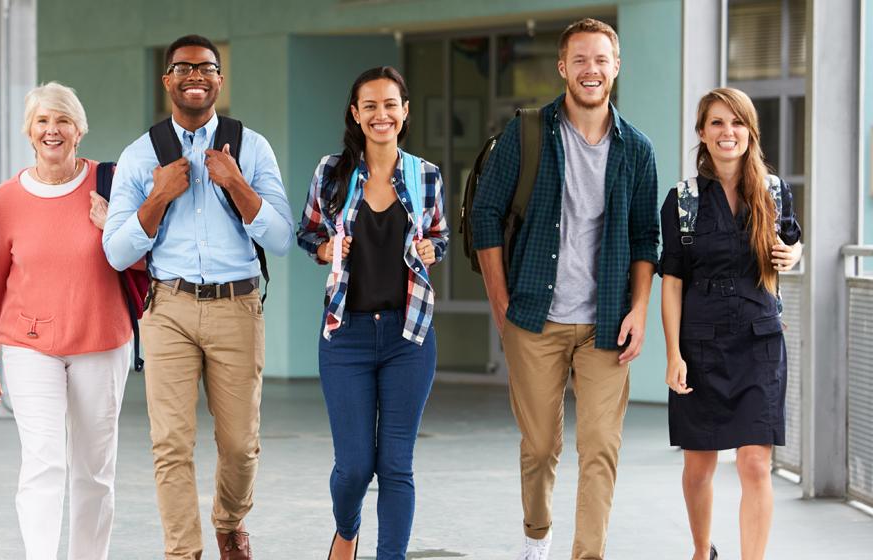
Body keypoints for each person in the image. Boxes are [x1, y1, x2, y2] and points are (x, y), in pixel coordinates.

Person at [470, 18, 660, 560]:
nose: (591, 70)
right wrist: (501, 302)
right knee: (540, 447)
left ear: (616, 66)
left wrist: (639, 310)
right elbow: (484, 214)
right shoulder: (527, 131)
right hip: (533, 317)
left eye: (601, 59)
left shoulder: (637, 149)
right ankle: (537, 533)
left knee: (599, 447)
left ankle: (587, 554)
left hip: (607, 322)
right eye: (580, 60)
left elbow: (648, 236)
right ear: (562, 67)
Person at [102, 34, 292, 560]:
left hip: (237, 306)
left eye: (206, 68)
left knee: (239, 445)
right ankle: (183, 552)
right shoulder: (141, 156)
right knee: (171, 445)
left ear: (219, 80)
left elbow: (280, 237)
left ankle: (230, 521)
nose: (195, 76)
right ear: (167, 79)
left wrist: (236, 185)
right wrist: (159, 195)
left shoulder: (251, 148)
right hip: (169, 310)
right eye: (183, 67)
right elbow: (116, 252)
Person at [0, 82, 135, 560]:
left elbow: (147, 259)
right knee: (43, 463)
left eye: (62, 120)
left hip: (102, 341)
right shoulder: (6, 200)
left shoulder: (114, 183)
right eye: (42, 120)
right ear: (29, 131)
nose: (52, 129)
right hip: (29, 345)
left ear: (79, 129)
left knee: (94, 469)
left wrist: (114, 226)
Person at [296, 66, 448, 560]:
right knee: (356, 466)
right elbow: (309, 233)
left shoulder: (426, 175)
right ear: (356, 115)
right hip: (347, 335)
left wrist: (433, 251)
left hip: (409, 335)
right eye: (370, 106)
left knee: (397, 465)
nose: (381, 114)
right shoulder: (331, 172)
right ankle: (347, 527)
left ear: (404, 112)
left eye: (390, 105)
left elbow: (440, 235)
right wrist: (326, 251)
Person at [660, 87, 802, 560]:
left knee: (755, 464)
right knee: (699, 465)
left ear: (750, 132)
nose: (728, 132)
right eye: (717, 123)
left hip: (759, 341)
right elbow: (673, 281)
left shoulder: (774, 191)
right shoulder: (681, 200)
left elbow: (792, 244)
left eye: (737, 123)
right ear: (702, 133)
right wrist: (673, 354)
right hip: (699, 346)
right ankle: (703, 551)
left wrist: (794, 253)